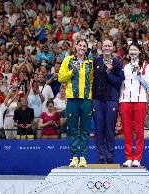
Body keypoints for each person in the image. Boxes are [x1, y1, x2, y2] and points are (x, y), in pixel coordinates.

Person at [58, 39, 93, 168]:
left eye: (84, 46)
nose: (82, 48)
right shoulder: (68, 60)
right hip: (72, 99)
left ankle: (83, 157)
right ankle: (73, 157)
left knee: (85, 129)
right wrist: (72, 71)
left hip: (86, 100)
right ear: (76, 46)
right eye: (80, 45)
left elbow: (91, 80)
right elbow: (61, 78)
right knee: (72, 129)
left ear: (86, 49)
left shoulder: (90, 62)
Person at [120, 41, 149, 167]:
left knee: (139, 131)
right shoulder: (125, 66)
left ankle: (137, 158)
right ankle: (128, 157)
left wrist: (139, 74)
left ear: (139, 51)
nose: (133, 52)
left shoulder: (146, 66)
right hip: (125, 100)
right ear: (128, 52)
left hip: (140, 101)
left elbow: (148, 85)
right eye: (131, 50)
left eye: (135, 50)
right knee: (127, 130)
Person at [92, 39, 124, 164]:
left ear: (112, 48)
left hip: (111, 99)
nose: (106, 48)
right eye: (104, 45)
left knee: (110, 129)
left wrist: (109, 72)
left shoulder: (117, 63)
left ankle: (110, 156)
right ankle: (100, 157)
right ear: (101, 47)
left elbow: (118, 82)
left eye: (109, 46)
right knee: (99, 129)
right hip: (97, 100)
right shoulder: (96, 61)